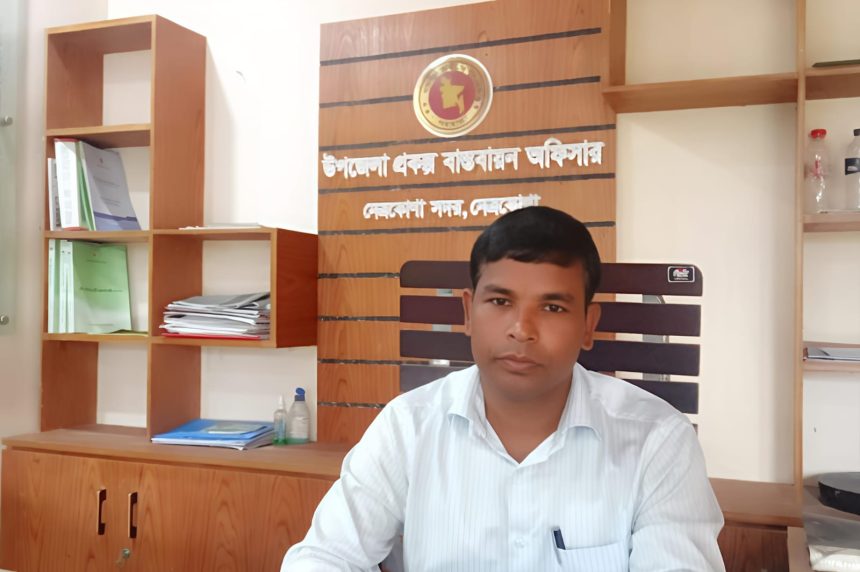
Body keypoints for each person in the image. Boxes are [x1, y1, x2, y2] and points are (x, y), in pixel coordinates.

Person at [282, 206, 725, 571]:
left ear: (588, 325)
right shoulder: (407, 426)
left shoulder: (657, 441)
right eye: (500, 301)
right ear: (467, 312)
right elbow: (325, 556)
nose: (521, 329)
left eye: (552, 307)